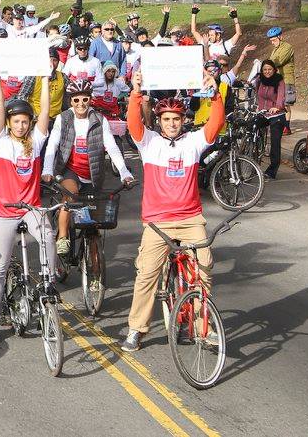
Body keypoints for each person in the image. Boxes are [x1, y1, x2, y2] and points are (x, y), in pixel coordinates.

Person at [119, 68, 224, 353]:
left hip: (190, 219)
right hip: (157, 223)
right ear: (160, 121)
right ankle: (136, 329)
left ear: (182, 120)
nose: (172, 124)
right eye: (166, 119)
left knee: (204, 269)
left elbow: (215, 125)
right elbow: (133, 124)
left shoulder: (193, 143)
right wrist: (136, 91)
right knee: (146, 275)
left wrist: (214, 94)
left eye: (176, 119)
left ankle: (203, 326)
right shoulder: (149, 142)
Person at [0, 74, 52, 344]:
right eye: (17, 122)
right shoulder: (0, 142)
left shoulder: (35, 142)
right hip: (3, 212)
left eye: (25, 121)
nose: (21, 126)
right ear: (9, 124)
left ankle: (47, 285)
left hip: (30, 208)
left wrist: (45, 79)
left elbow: (46, 109)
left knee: (47, 235)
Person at [42, 79, 133, 258]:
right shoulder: (64, 118)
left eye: (85, 99)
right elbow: (52, 144)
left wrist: (124, 172)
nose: (81, 104)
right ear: (71, 102)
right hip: (70, 170)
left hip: (93, 172)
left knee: (94, 218)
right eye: (76, 100)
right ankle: (62, 237)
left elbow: (112, 147)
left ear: (90, 99)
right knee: (70, 195)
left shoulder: (99, 119)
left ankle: (93, 247)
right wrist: (47, 169)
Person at [251, 59, 287, 179]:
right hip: (263, 113)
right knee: (251, 128)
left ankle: (272, 170)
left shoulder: (279, 80)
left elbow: (281, 96)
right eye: (265, 69)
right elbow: (254, 92)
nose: (267, 72)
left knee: (275, 141)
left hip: (276, 114)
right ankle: (253, 157)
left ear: (274, 70)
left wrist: (277, 107)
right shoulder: (259, 79)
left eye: (269, 69)